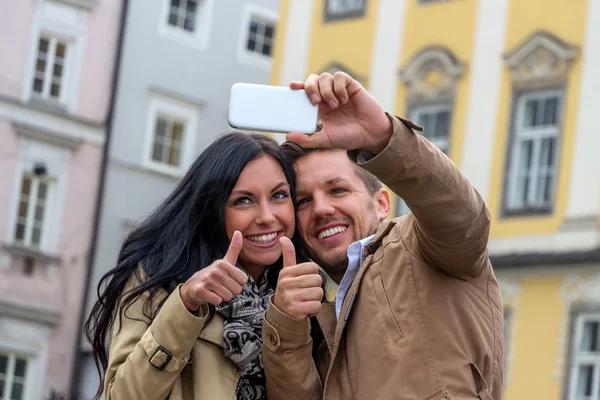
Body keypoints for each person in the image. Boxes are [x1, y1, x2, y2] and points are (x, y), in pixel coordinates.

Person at [262, 72, 503, 399]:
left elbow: (463, 216)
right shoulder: (314, 313)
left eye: (338, 189)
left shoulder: (422, 247)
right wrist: (287, 324)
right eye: (303, 200)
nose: (321, 209)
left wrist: (382, 136)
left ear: (381, 204)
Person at [85, 132, 315, 400]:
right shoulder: (158, 279)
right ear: (213, 208)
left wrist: (287, 322)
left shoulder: (307, 294)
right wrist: (184, 304)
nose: (267, 216)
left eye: (279, 195)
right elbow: (123, 396)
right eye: (243, 200)